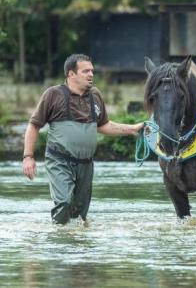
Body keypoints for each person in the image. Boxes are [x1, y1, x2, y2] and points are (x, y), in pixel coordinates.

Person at [21, 54, 144, 224]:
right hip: (59, 160)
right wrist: (28, 157)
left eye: (92, 71)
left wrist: (132, 129)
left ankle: (77, 245)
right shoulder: (53, 94)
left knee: (79, 215)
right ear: (71, 74)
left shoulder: (95, 95)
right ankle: (59, 240)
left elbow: (103, 125)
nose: (91, 74)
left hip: (86, 164)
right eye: (85, 71)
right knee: (64, 202)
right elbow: (33, 125)